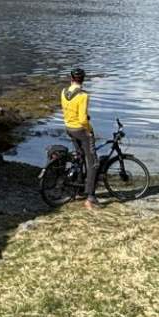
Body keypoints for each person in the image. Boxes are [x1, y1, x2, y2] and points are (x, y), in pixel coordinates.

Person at [60, 68, 98, 210]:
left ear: (71, 78)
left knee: (80, 157)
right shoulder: (83, 96)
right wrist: (90, 130)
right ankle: (90, 197)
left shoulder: (63, 92)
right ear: (83, 79)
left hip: (68, 128)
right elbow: (82, 119)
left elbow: (68, 110)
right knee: (93, 162)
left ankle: (78, 189)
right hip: (80, 130)